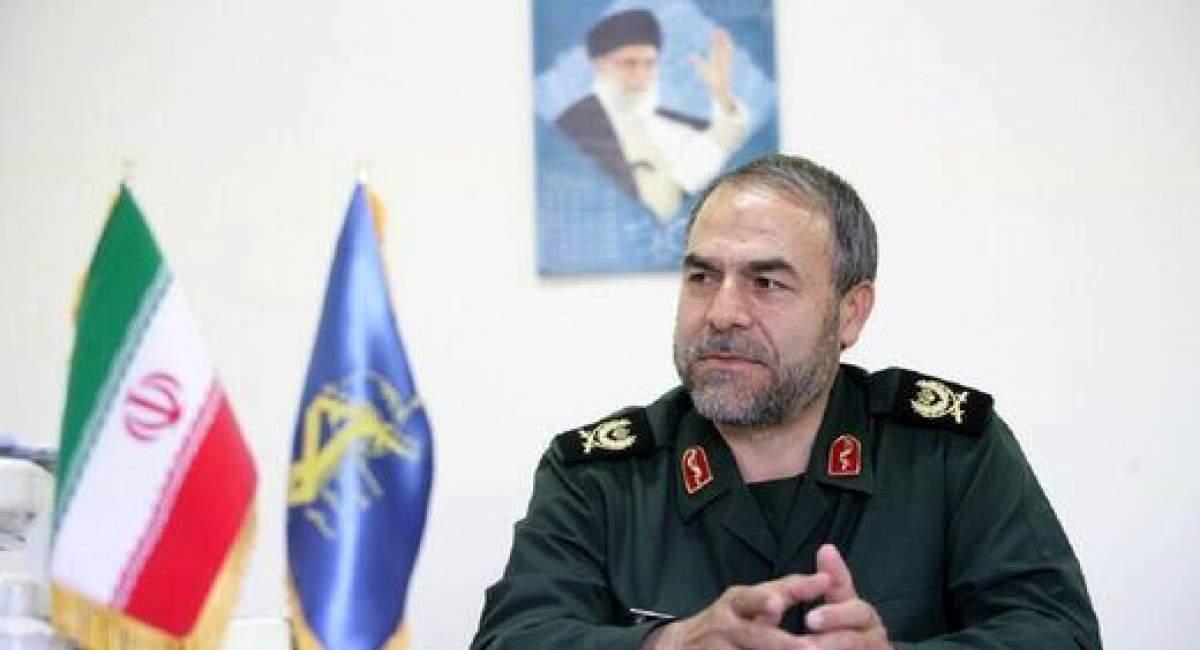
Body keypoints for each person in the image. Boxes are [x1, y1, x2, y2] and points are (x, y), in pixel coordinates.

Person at [472, 153, 1101, 649]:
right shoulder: (599, 477)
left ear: (850, 313)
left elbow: (1059, 634)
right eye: (702, 276)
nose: (722, 312)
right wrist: (667, 645)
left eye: (767, 282)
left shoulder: (948, 451)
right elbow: (513, 638)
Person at [556, 9, 749, 223]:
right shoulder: (569, 129)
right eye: (629, 63)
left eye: (649, 63)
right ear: (600, 65)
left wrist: (721, 93)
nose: (641, 75)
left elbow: (722, 143)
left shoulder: (673, 125)